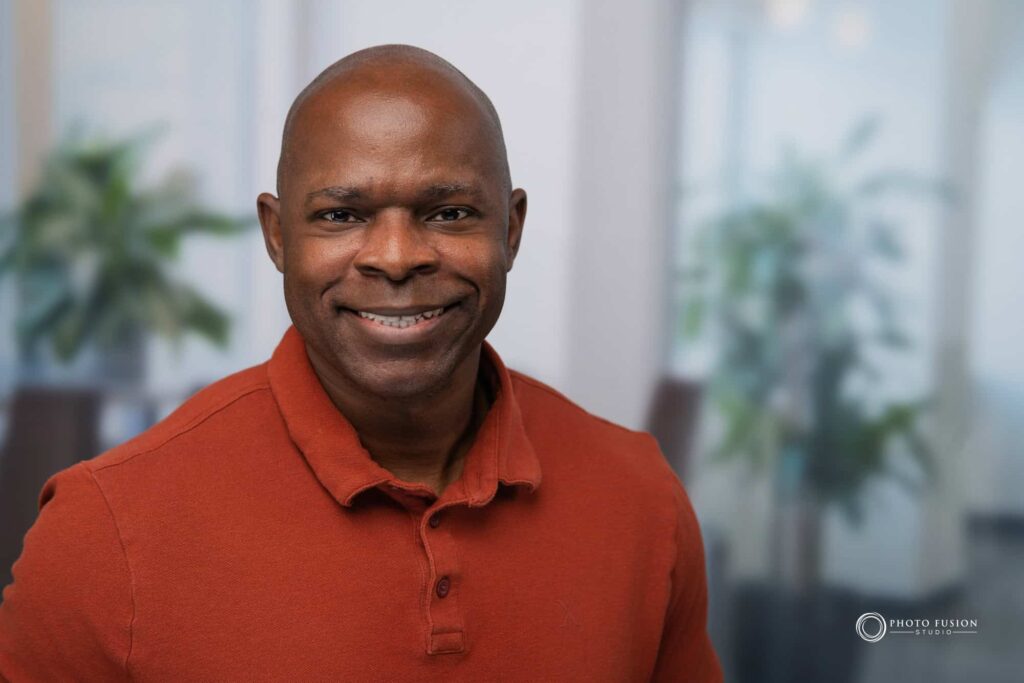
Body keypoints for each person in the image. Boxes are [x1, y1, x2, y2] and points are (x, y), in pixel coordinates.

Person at [0, 45, 722, 681]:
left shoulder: (641, 502)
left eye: (448, 212)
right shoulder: (104, 532)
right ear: (278, 236)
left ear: (511, 228)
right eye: (341, 215)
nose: (397, 256)